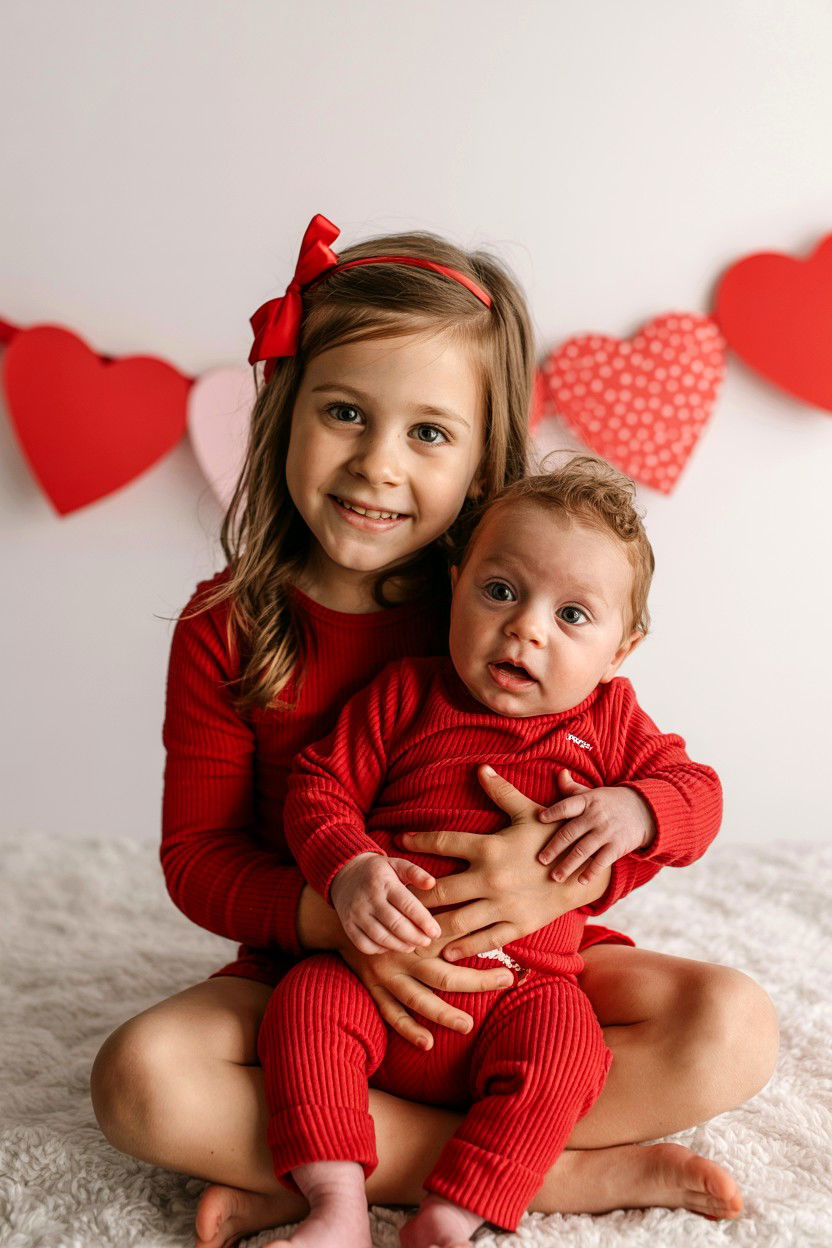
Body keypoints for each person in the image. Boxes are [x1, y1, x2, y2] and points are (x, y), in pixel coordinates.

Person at [88, 215, 778, 1248]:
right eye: (343, 413)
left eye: (427, 432)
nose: (377, 465)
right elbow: (198, 859)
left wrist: (551, 875)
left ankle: (326, 1166)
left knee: (733, 1027)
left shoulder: (506, 606)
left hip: (519, 965)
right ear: (282, 412)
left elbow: (636, 782)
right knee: (139, 1080)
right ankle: (546, 1174)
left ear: (481, 456)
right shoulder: (227, 627)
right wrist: (336, 916)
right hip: (313, 978)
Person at [259, 459, 724, 1248]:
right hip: (374, 978)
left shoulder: (612, 722)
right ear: (456, 585)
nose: (527, 628)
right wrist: (347, 870)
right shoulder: (408, 694)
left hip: (523, 993)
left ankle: (455, 1211)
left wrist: (639, 808)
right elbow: (317, 787)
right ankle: (335, 1206)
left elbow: (700, 794)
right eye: (501, 591)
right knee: (300, 1007)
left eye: (574, 615)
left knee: (571, 1053)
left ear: (622, 649)